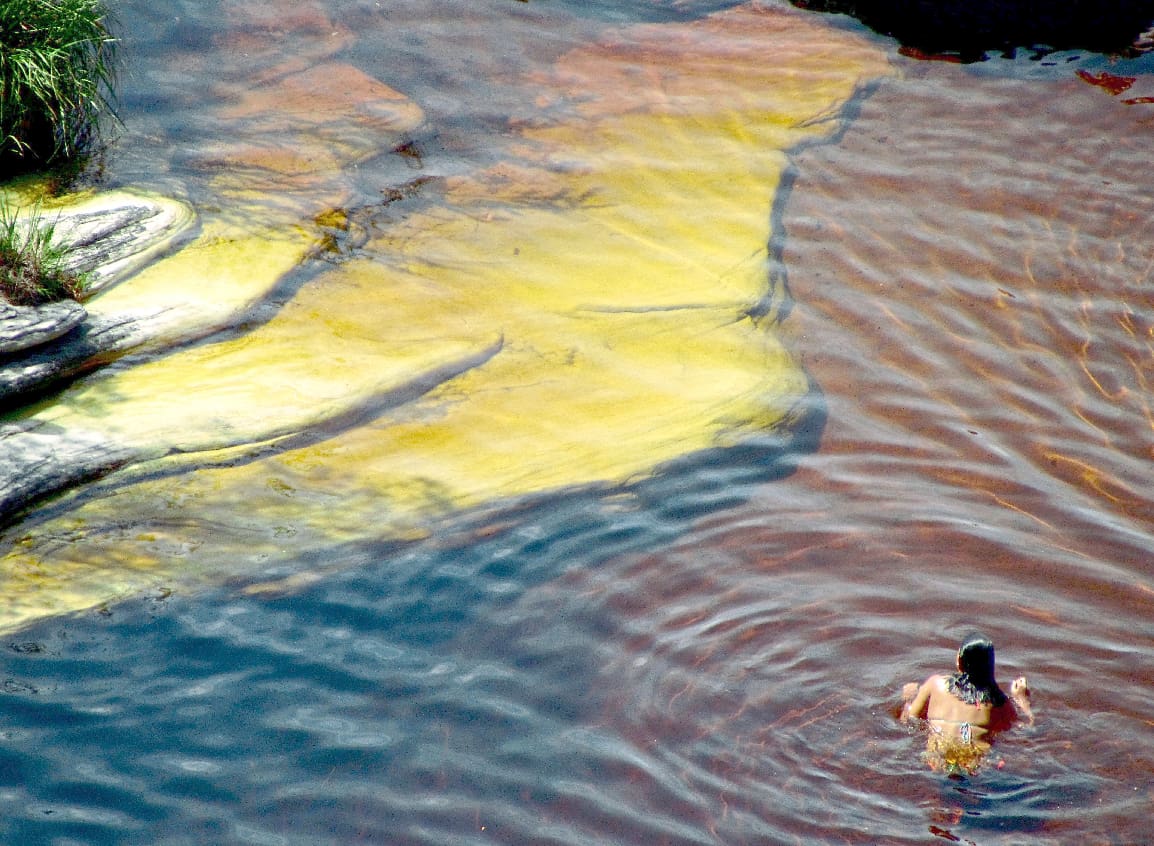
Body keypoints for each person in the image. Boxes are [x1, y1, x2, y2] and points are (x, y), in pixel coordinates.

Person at [900, 633, 1033, 775]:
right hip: (975, 768)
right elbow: (1025, 732)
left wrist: (908, 699)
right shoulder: (999, 704)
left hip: (935, 761)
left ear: (959, 661)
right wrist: (1022, 700)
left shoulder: (935, 684)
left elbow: (908, 720)